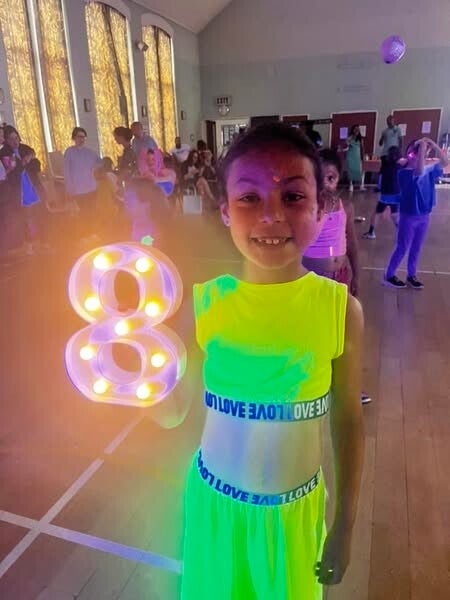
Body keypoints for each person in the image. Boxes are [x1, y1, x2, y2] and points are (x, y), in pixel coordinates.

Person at [165, 123, 365, 599]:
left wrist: (345, 524)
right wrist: (138, 380)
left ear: (321, 207)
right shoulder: (203, 304)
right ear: (224, 210)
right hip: (215, 510)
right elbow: (171, 412)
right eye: (249, 198)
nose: (271, 215)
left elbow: (348, 420)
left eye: (293, 197)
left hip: (294, 517)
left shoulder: (339, 310)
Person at [303, 149, 370, 405]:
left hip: (340, 277)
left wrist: (357, 275)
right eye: (319, 178)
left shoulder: (346, 207)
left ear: (338, 179)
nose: (325, 184)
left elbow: (351, 243)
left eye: (330, 178)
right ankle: (314, 384)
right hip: (312, 277)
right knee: (314, 331)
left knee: (341, 333)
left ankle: (346, 387)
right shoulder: (306, 209)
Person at [384, 137, 448, 289]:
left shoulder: (429, 170)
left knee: (416, 247)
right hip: (408, 217)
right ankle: (389, 275)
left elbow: (445, 162)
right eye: (416, 151)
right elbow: (418, 172)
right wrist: (422, 149)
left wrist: (433, 145)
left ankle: (411, 275)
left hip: (424, 216)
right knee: (402, 247)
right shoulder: (403, 173)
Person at [63, 127, 100, 240]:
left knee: (91, 212)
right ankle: (83, 235)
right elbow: (66, 172)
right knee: (82, 214)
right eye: (79, 137)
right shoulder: (69, 152)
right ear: (74, 137)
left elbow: (100, 163)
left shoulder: (90, 152)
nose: (82, 139)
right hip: (78, 190)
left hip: (91, 188)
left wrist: (96, 170)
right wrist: (69, 189)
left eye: (83, 137)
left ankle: (92, 233)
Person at [363, 146, 406, 239]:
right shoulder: (400, 166)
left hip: (386, 193)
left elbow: (383, 160)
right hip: (396, 193)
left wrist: (379, 188)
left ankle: (371, 233)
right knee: (394, 215)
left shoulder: (385, 164)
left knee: (377, 213)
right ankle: (402, 233)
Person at [123, 177, 171, 246]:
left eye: (129, 200)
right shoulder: (133, 226)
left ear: (146, 204)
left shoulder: (151, 237)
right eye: (125, 200)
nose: (125, 204)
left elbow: (143, 249)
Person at [346, 125, 364, 192]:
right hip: (350, 156)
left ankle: (361, 185)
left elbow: (362, 148)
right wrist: (350, 138)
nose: (357, 130)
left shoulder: (360, 139)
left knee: (359, 170)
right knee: (351, 170)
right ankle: (351, 185)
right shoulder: (349, 138)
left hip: (357, 156)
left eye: (358, 129)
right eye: (355, 129)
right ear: (352, 130)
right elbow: (346, 145)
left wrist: (363, 156)